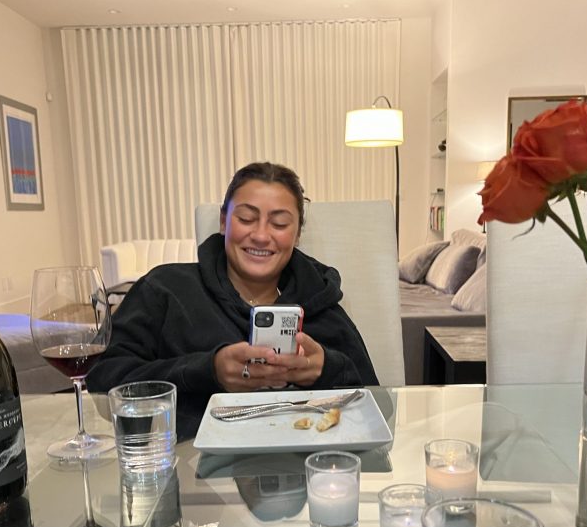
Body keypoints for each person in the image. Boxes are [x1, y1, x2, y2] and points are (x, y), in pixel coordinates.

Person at [86, 162, 378, 437]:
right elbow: (103, 377)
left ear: (297, 234)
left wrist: (326, 369)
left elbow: (378, 406)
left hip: (304, 464)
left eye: (279, 224)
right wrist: (207, 370)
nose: (261, 235)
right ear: (224, 222)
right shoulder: (165, 290)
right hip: (189, 462)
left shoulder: (321, 304)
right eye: (246, 219)